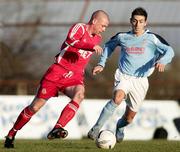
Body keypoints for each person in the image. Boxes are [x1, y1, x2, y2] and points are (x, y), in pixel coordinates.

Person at [4, 10, 109, 148]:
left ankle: (57, 128)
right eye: (103, 25)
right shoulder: (80, 28)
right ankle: (12, 133)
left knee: (79, 95)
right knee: (34, 107)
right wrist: (90, 46)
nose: (103, 29)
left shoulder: (97, 38)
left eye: (105, 27)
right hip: (57, 73)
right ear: (94, 21)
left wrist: (99, 66)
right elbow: (71, 41)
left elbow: (84, 57)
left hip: (74, 77)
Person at [87, 7, 174, 142]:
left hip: (141, 81)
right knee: (117, 97)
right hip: (124, 75)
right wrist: (101, 63)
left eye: (140, 21)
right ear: (130, 21)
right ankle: (96, 129)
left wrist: (163, 60)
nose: (137, 24)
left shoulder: (153, 38)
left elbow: (170, 51)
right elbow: (108, 46)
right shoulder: (122, 37)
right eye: (134, 21)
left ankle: (120, 127)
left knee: (129, 118)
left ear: (145, 22)